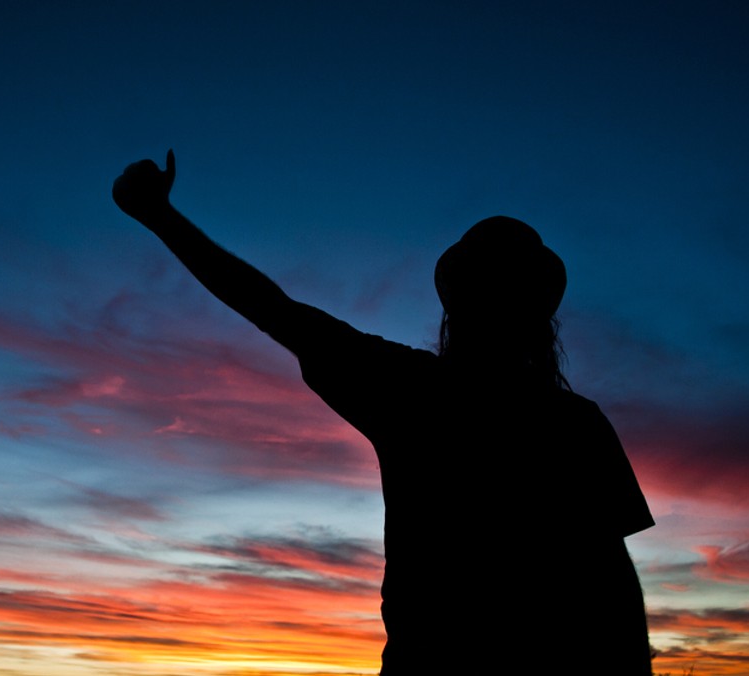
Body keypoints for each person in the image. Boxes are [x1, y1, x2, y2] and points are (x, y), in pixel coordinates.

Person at [113, 150, 655, 674]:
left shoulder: (411, 390)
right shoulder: (573, 421)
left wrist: (160, 216)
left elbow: (271, 309)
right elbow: (616, 594)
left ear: (455, 306)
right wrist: (161, 216)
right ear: (541, 314)